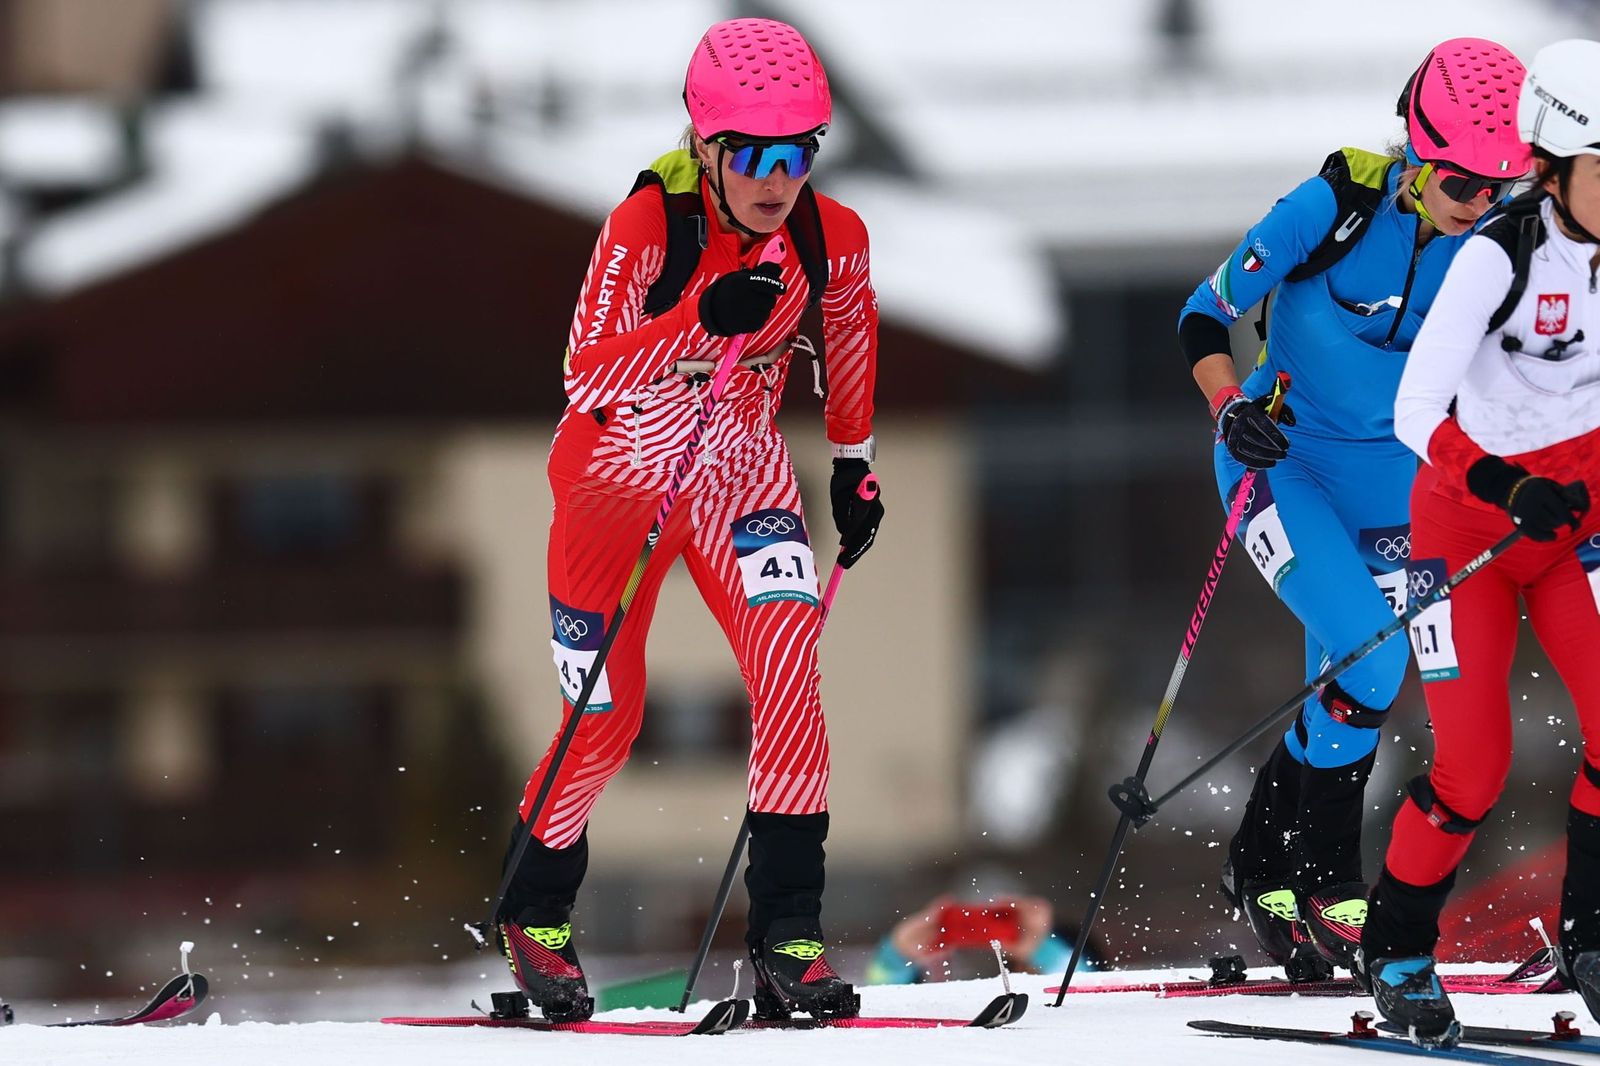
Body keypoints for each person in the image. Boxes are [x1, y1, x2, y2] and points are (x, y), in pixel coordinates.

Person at [493, 17, 884, 1023]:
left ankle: (790, 937)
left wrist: (852, 464)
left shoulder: (829, 235)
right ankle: (535, 914)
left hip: (739, 472)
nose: (775, 179)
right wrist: (696, 320)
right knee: (605, 719)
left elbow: (849, 332)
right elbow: (585, 373)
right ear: (704, 146)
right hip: (615, 481)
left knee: (791, 671)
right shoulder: (647, 226)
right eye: (751, 154)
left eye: (797, 153)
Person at [1175, 39, 1532, 979]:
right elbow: (1203, 313)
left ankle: (1261, 866)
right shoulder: (1336, 203)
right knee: (1373, 659)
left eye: (1499, 187)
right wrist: (1230, 406)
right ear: (1417, 151)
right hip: (1281, 462)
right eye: (1460, 182)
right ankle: (1330, 881)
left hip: (1397, 489)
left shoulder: (1503, 243)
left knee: (1352, 688)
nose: (1478, 203)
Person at [1359, 38, 1600, 1046]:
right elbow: (1414, 409)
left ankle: (1592, 936)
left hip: (1575, 535)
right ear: (1550, 166)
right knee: (1473, 768)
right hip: (1466, 540)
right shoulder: (1495, 257)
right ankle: (1397, 949)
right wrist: (1506, 484)